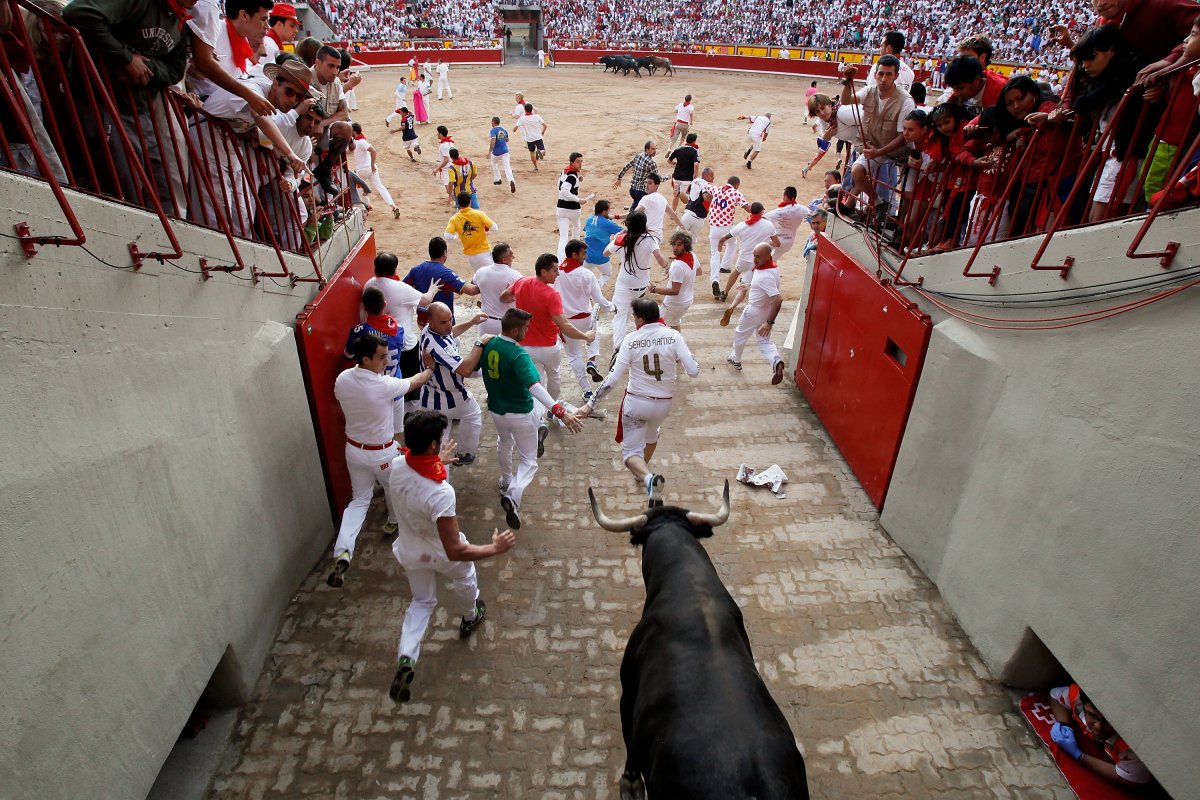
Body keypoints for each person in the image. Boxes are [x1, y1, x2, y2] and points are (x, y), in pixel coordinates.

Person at [385, 409, 515, 704]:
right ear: (432, 445)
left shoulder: (396, 466)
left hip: (410, 549)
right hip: (439, 553)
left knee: (421, 602)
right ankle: (470, 617)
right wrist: (493, 549)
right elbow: (455, 548)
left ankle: (407, 657)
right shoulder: (441, 493)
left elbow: (415, 467)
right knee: (465, 575)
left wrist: (437, 460)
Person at [326, 333, 433, 588]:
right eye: (381, 357)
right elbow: (415, 381)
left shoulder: (342, 380)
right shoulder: (384, 386)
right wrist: (429, 369)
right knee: (393, 489)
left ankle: (343, 551)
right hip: (382, 453)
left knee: (359, 501)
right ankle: (396, 524)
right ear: (365, 358)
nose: (386, 361)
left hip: (354, 451)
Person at [578, 297, 699, 503]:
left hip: (636, 403)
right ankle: (642, 474)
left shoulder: (631, 339)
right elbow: (694, 371)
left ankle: (648, 477)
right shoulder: (673, 336)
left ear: (641, 320)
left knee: (630, 454)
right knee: (652, 436)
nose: (633, 320)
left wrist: (591, 404)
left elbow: (613, 378)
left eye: (634, 317)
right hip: (663, 404)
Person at [480, 308, 583, 530]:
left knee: (503, 443)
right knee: (528, 461)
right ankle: (513, 496)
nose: (527, 332)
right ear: (515, 329)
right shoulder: (519, 355)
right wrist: (559, 410)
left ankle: (506, 481)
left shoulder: (489, 346)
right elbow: (535, 387)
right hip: (520, 414)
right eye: (525, 328)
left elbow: (474, 372)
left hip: (497, 411)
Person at [504, 253, 596, 455]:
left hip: (526, 347)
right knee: (554, 378)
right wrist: (586, 336)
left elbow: (505, 297)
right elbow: (565, 326)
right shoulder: (551, 294)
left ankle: (538, 420)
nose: (557, 274)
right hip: (548, 347)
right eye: (554, 270)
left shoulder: (521, 283)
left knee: (535, 385)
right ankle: (550, 413)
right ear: (543, 271)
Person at [365, 251, 443, 410]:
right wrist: (433, 289)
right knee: (411, 385)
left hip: (377, 343)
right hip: (404, 344)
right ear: (394, 270)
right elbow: (425, 300)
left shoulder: (369, 284)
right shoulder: (400, 288)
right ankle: (410, 414)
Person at [839, 55, 915, 211]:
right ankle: (878, 202)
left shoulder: (905, 100)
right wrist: (848, 81)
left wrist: (878, 152)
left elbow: (903, 137)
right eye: (881, 74)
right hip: (878, 147)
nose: (883, 79)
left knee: (907, 191)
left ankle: (893, 214)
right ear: (875, 75)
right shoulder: (869, 91)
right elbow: (846, 101)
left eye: (888, 74)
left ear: (896, 76)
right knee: (857, 171)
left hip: (899, 151)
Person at [418, 302, 486, 465]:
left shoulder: (429, 331)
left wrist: (470, 322)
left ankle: (442, 479)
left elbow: (449, 334)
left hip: (429, 398)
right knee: (474, 415)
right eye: (444, 322)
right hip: (451, 398)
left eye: (450, 319)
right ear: (431, 322)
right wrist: (480, 342)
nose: (449, 325)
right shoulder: (438, 346)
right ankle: (464, 453)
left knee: (441, 447)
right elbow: (466, 370)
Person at [1049, 683, 1152, 786]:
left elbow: (1131, 780)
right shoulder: (1077, 699)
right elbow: (1055, 696)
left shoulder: (1132, 746)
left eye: (1107, 721)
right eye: (1093, 716)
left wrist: (1079, 756)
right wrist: (1064, 724)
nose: (1098, 726)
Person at [557, 239, 615, 399]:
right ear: (574, 254)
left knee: (574, 356)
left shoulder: (556, 272)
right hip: (585, 318)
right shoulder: (586, 274)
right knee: (593, 336)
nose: (586, 256)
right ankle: (592, 359)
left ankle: (587, 391)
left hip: (565, 321)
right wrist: (613, 307)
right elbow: (599, 300)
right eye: (583, 254)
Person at [604, 211, 668, 353]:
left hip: (624, 284)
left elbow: (605, 253)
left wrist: (616, 238)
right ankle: (643, 345)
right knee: (637, 315)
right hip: (641, 285)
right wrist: (668, 268)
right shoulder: (651, 239)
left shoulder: (622, 240)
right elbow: (660, 258)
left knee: (620, 316)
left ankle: (618, 348)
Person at [726, 243, 787, 387]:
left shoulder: (764, 276)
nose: (755, 259)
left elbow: (778, 298)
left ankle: (736, 360)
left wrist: (769, 322)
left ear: (768, 256)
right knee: (764, 342)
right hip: (766, 310)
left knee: (740, 335)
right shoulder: (773, 268)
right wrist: (751, 286)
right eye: (754, 255)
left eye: (758, 256)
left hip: (754, 311)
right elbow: (767, 287)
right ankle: (776, 361)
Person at [717, 202, 781, 322]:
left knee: (736, 272)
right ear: (762, 211)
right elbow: (777, 244)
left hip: (744, 258)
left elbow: (724, 238)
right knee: (746, 287)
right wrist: (767, 243)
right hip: (757, 261)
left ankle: (724, 293)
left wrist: (720, 244)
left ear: (750, 211)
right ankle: (734, 306)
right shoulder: (768, 225)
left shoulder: (742, 225)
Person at [404, 236, 479, 323]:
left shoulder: (416, 270)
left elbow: (401, 287)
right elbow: (472, 291)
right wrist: (486, 279)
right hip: (441, 327)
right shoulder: (446, 274)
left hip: (422, 323)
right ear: (445, 253)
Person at [706, 176, 751, 296]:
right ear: (736, 184)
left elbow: (707, 186)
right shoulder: (736, 192)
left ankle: (715, 280)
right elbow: (747, 208)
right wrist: (757, 212)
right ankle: (725, 266)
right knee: (732, 243)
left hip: (714, 228)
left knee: (715, 254)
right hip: (727, 228)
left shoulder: (716, 189)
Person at [648, 231, 698, 331]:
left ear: (686, 245)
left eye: (679, 244)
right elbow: (699, 272)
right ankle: (678, 345)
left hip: (674, 303)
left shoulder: (677, 265)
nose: (675, 247)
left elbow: (675, 291)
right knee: (674, 324)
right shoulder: (692, 255)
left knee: (658, 328)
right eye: (674, 244)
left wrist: (654, 289)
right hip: (687, 301)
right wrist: (677, 276)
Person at [351, 123, 400, 219]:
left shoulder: (360, 142)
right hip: (371, 169)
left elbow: (373, 151)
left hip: (363, 170)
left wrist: (372, 164)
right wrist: (372, 165)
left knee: (357, 188)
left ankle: (367, 206)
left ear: (354, 131)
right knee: (380, 187)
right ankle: (393, 206)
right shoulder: (359, 140)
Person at [473, 243, 521, 336]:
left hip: (485, 323)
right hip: (506, 325)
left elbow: (473, 286)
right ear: (504, 259)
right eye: (511, 255)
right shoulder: (516, 275)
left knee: (484, 349)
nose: (513, 257)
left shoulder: (481, 271)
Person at [764, 186, 812, 262]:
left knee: (763, 257)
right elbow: (812, 217)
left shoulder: (779, 211)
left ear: (785, 197)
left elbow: (763, 218)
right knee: (773, 260)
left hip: (775, 241)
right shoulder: (802, 209)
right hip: (788, 243)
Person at [583, 199, 625, 283]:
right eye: (608, 210)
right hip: (601, 256)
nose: (609, 211)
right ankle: (597, 286)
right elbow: (623, 233)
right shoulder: (608, 223)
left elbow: (587, 230)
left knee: (584, 277)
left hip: (587, 256)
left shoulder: (589, 219)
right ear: (604, 211)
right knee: (607, 274)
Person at [631, 173, 682, 241]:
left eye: (650, 183)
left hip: (647, 236)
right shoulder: (662, 199)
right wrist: (683, 228)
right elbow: (673, 215)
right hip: (658, 237)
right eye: (646, 182)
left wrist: (615, 216)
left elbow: (633, 213)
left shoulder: (646, 198)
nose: (646, 185)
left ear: (656, 185)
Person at [556, 152, 587, 260]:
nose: (580, 164)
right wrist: (578, 199)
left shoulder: (565, 170)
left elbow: (560, 187)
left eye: (581, 161)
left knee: (563, 237)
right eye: (578, 162)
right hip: (573, 209)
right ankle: (576, 254)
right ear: (572, 162)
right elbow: (565, 190)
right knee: (576, 227)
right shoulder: (572, 176)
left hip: (561, 208)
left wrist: (578, 178)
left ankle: (559, 261)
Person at [614, 141, 658, 207]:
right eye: (652, 149)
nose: (655, 151)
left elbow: (627, 166)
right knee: (641, 213)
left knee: (634, 207)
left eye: (655, 149)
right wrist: (667, 177)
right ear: (647, 149)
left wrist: (619, 178)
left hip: (632, 190)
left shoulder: (638, 156)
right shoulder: (651, 163)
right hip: (642, 192)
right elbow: (657, 178)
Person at [666, 132, 701, 212]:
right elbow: (696, 164)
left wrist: (676, 163)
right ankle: (689, 211)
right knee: (686, 196)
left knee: (676, 195)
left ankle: (673, 212)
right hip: (687, 178)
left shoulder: (678, 149)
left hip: (677, 177)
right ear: (693, 141)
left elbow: (669, 160)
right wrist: (695, 176)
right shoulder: (694, 151)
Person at [678, 167, 714, 239]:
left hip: (688, 215)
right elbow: (706, 198)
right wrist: (716, 196)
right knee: (690, 242)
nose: (713, 178)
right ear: (706, 175)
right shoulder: (708, 185)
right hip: (700, 220)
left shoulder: (695, 181)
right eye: (712, 176)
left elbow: (687, 193)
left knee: (678, 238)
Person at [488, 116, 516, 193]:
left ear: (493, 122)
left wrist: (490, 151)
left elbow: (493, 140)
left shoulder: (493, 131)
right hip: (505, 151)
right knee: (507, 167)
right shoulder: (504, 129)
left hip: (496, 152)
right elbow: (507, 139)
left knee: (494, 163)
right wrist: (502, 141)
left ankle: (498, 179)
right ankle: (511, 181)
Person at [515, 102, 547, 171]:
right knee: (543, 150)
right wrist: (542, 132)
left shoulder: (522, 118)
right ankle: (541, 152)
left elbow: (514, 129)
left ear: (525, 110)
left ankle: (536, 167)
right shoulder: (537, 116)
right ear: (532, 109)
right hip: (538, 137)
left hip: (530, 139)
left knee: (532, 153)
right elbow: (545, 125)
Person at [433, 126, 456, 205]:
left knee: (449, 189)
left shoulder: (444, 145)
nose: (437, 134)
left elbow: (446, 159)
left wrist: (437, 169)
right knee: (452, 188)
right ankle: (456, 202)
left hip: (447, 169)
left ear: (441, 134)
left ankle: (459, 204)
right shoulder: (450, 142)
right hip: (453, 167)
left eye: (438, 133)